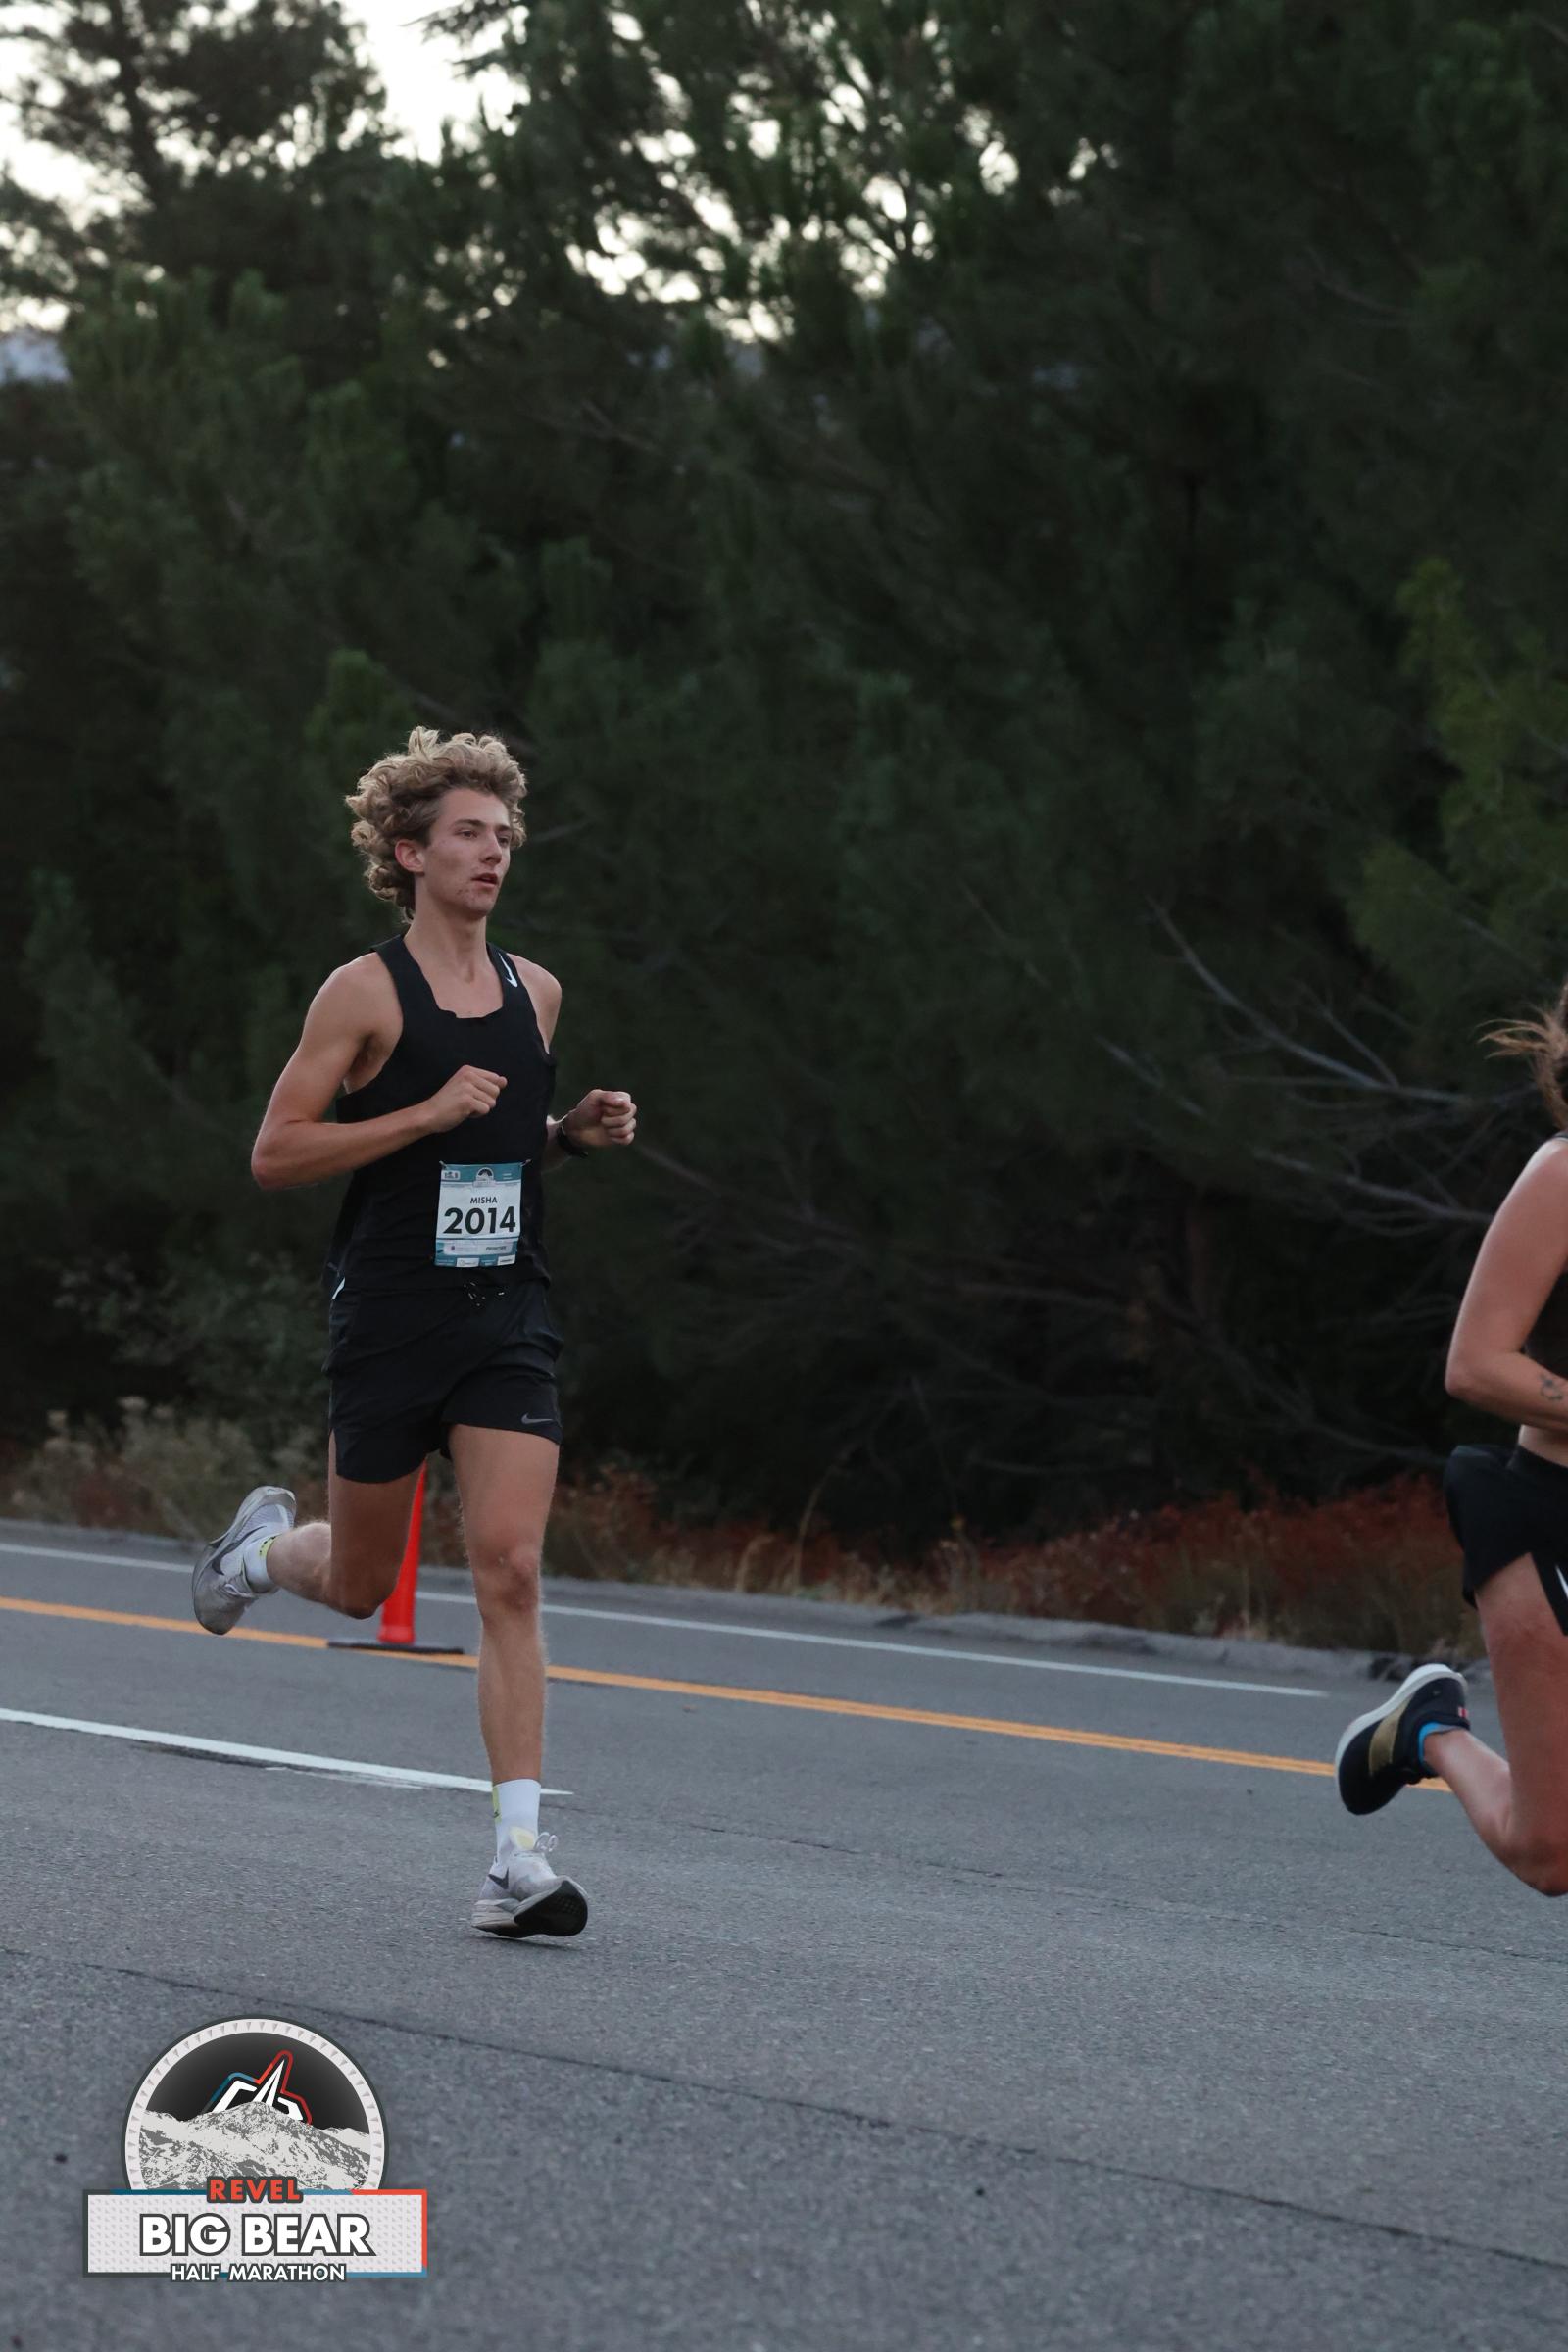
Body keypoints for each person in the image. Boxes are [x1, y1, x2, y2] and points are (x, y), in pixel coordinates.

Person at [191, 728, 635, 1937]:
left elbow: (499, 1146)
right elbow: (276, 1152)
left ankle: (517, 1859)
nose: (494, 853)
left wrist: (568, 1137)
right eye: (468, 834)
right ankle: (258, 1555)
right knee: (357, 1584)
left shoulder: (536, 992)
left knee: (511, 1567)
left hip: (505, 1314)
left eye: (504, 835)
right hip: (388, 1317)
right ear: (409, 852)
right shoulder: (364, 993)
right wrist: (421, 1113)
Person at [1334, 981, 1568, 1896]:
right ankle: (1429, 1729)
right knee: (1551, 1853)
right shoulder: (1561, 1177)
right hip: (1546, 1519)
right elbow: (1476, 1364)